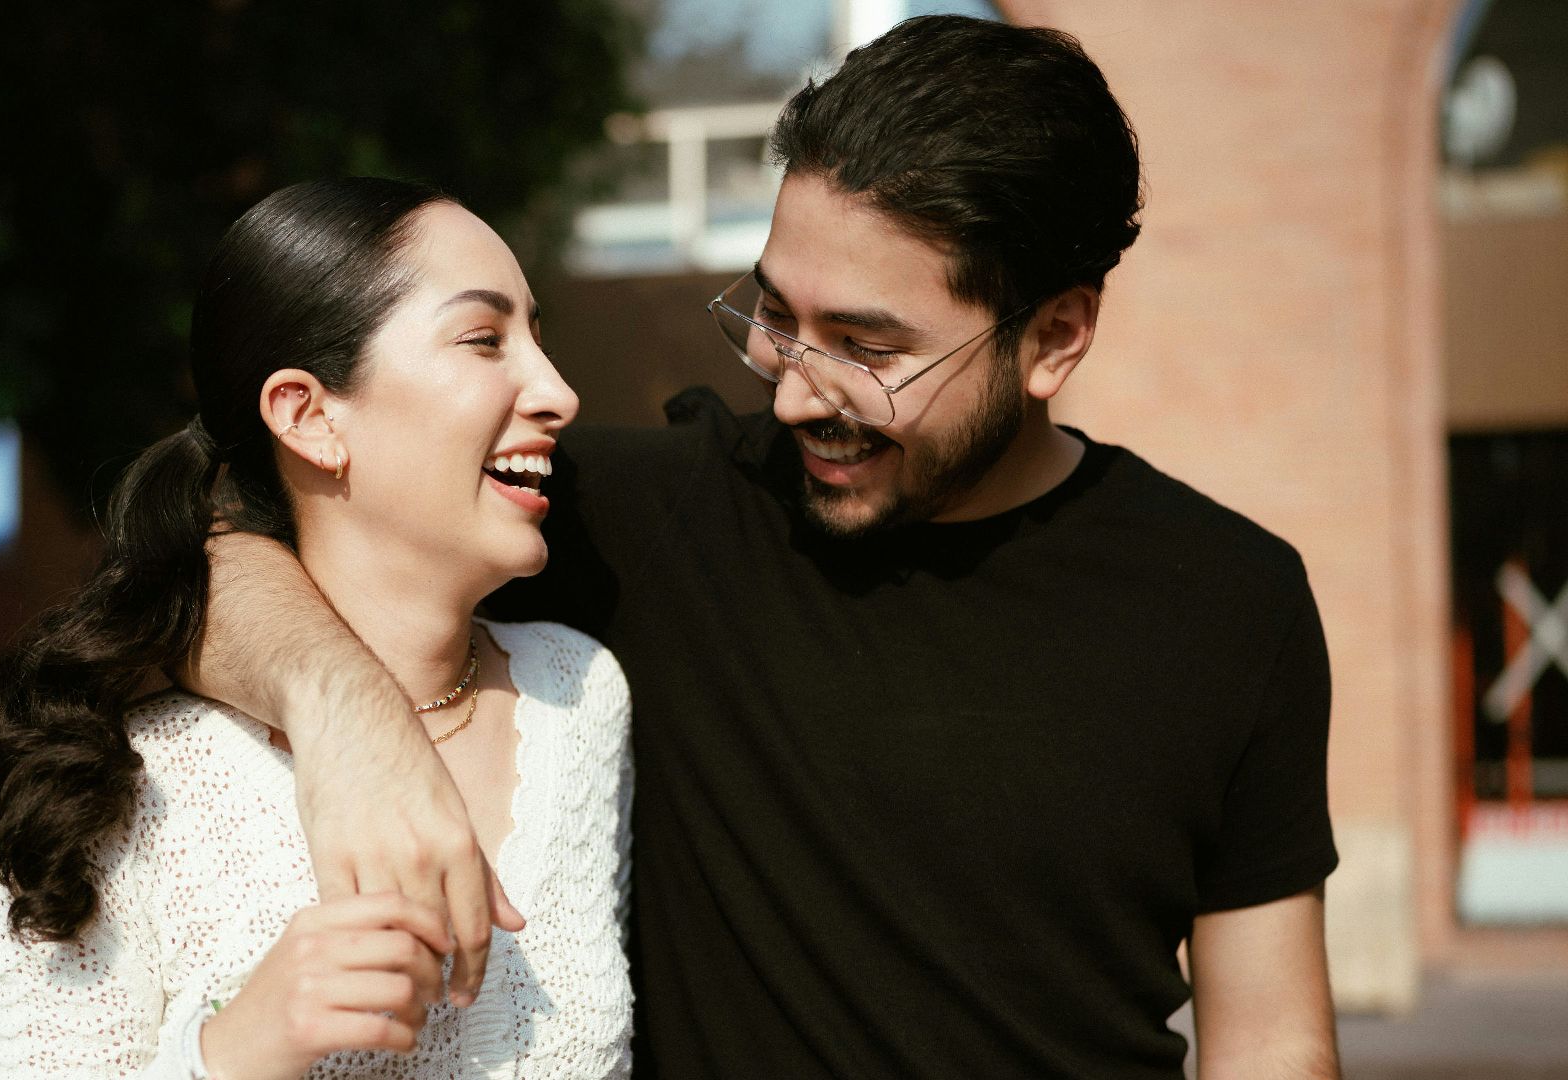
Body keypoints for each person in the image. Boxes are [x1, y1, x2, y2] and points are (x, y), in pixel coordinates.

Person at [189, 16, 1341, 1080]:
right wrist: (346, 718)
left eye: (867, 348)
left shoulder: (1230, 601)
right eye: (778, 317)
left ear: (1055, 338)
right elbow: (213, 531)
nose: (793, 394)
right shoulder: (654, 521)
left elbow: (1274, 1042)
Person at [0, 178, 635, 1078]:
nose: (558, 392)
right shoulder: (113, 771)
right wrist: (236, 1048)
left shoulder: (576, 695)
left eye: (539, 338)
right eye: (484, 340)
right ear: (309, 416)